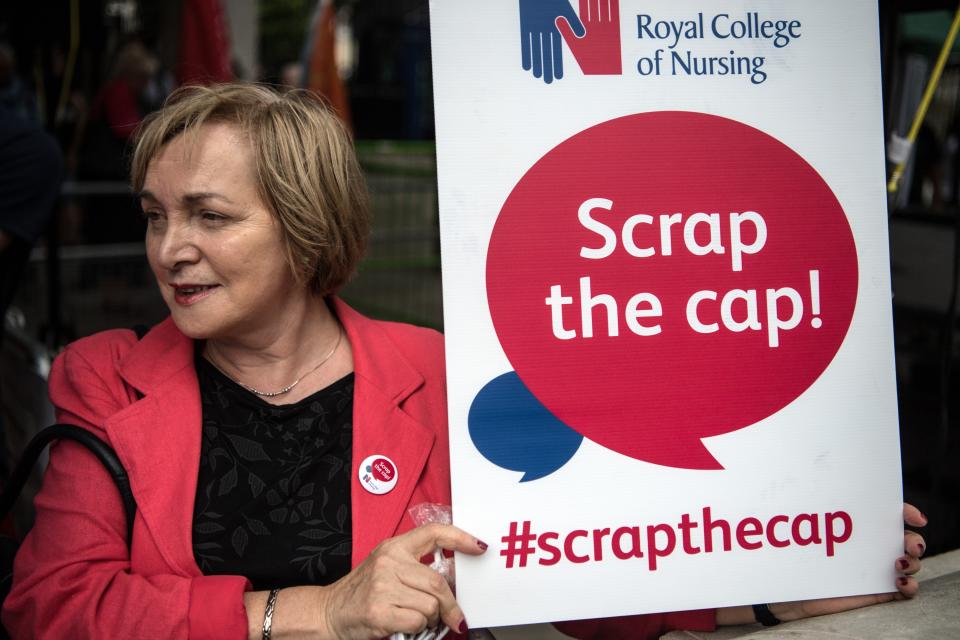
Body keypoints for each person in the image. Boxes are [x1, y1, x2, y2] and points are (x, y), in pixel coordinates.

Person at [1, 83, 925, 639]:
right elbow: (55, 609)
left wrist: (777, 594)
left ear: (304, 222)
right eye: (156, 217)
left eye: (210, 215)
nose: (169, 251)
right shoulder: (103, 374)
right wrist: (320, 612)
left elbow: (588, 568)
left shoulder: (443, 373)